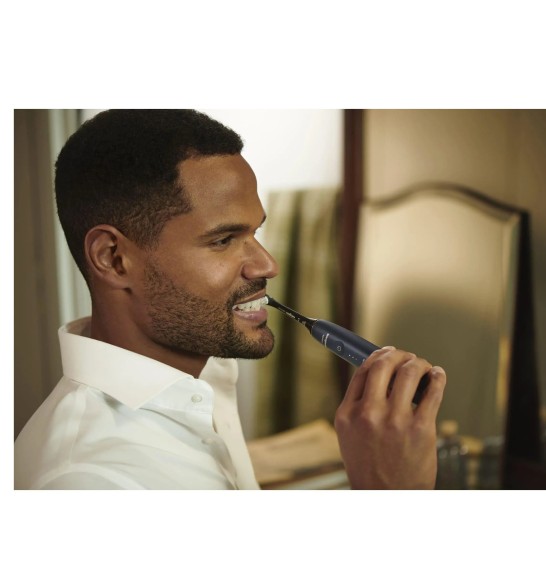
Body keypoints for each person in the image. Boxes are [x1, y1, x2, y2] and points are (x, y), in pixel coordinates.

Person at [14, 109, 446, 490]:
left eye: (254, 232)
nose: (267, 265)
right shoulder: (89, 481)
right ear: (113, 258)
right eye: (223, 240)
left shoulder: (204, 372)